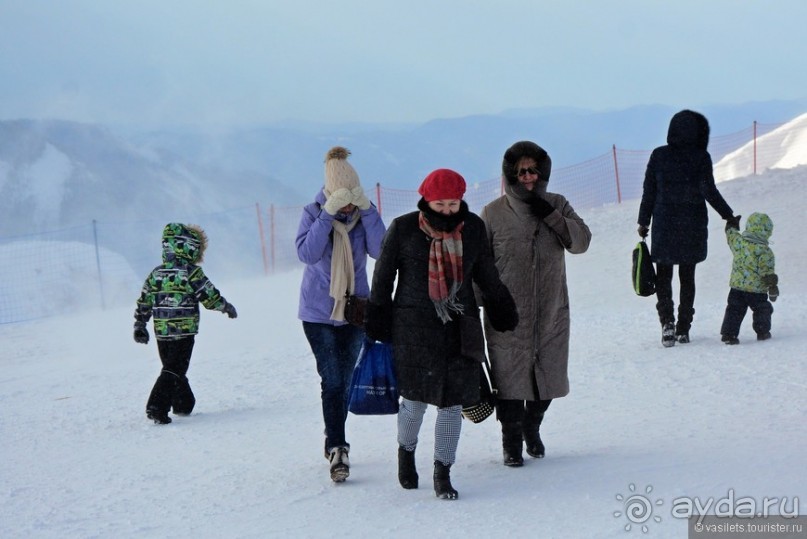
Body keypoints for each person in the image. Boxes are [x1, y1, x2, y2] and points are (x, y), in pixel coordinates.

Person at [365, 168, 518, 500]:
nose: (447, 210)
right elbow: (383, 275)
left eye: (452, 203)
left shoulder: (473, 229)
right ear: (426, 201)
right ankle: (406, 453)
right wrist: (377, 314)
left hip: (459, 327)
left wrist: (500, 303)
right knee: (415, 403)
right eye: (440, 203)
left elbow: (486, 273)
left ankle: (442, 472)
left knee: (451, 406)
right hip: (412, 329)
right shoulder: (404, 228)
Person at [480, 141, 591, 467]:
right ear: (510, 175)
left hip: (551, 311)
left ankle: (533, 425)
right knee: (509, 383)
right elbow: (480, 263)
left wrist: (553, 217)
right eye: (521, 172)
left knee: (548, 379)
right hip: (506, 314)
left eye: (533, 170)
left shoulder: (557, 204)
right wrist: (476, 305)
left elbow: (580, 243)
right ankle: (511, 441)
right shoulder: (493, 212)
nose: (528, 177)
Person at [296, 146, 386, 483]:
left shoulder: (365, 215)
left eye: (352, 197)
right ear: (331, 193)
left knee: (344, 381)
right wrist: (327, 215)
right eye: (342, 198)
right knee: (332, 380)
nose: (348, 204)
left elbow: (382, 250)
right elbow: (307, 253)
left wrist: (368, 210)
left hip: (355, 312)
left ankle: (333, 434)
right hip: (318, 312)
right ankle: (338, 447)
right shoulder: (312, 212)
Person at [637, 109, 740, 347]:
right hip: (691, 225)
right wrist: (728, 216)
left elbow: (649, 191)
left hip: (664, 224)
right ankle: (684, 328)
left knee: (663, 276)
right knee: (687, 276)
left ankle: (667, 325)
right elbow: (708, 191)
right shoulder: (700, 157)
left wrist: (644, 222)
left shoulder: (658, 155)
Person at [133, 223, 238, 425]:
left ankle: (183, 403)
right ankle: (157, 405)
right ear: (188, 247)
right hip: (184, 331)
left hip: (161, 332)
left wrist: (140, 323)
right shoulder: (191, 273)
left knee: (173, 367)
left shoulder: (156, 273)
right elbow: (209, 295)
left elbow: (145, 299)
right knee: (174, 368)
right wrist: (225, 307)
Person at [719, 213, 778, 345]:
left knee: (734, 310)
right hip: (756, 291)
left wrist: (731, 225)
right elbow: (766, 271)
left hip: (737, 289)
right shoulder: (765, 252)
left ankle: (729, 334)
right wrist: (772, 286)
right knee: (762, 309)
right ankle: (762, 331)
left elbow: (731, 236)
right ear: (767, 231)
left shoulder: (740, 243)